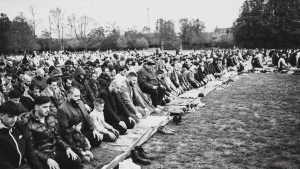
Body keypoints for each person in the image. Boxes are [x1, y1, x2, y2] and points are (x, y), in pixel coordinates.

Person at [23, 96, 82, 169]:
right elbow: (31, 148)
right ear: (37, 107)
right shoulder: (29, 123)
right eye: (44, 107)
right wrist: (46, 159)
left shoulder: (51, 117)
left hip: (55, 151)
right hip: (42, 156)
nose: (48, 110)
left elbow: (57, 137)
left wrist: (67, 148)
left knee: (76, 160)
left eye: (48, 107)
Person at [0, 101, 42, 169]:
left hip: (23, 165)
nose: (14, 119)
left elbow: (29, 151)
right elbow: (2, 161)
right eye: (10, 117)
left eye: (16, 116)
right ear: (1, 115)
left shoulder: (19, 126)